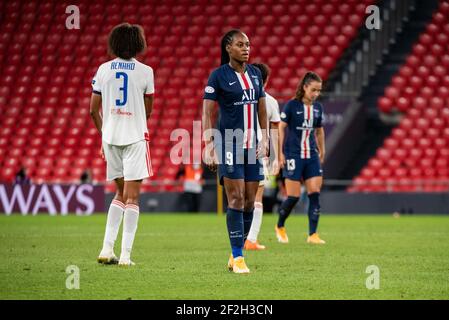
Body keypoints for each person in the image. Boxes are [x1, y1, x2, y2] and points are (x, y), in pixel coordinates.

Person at [202, 29, 268, 274]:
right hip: (229, 143)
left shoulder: (255, 75)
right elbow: (207, 112)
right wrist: (209, 145)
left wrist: (266, 138)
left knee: (250, 202)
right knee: (237, 198)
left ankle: (234, 253)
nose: (246, 48)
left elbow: (261, 108)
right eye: (240, 44)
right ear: (228, 48)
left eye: (248, 44)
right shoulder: (218, 76)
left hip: (252, 145)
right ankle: (239, 257)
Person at [90, 23, 155, 266]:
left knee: (119, 193)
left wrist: (104, 134)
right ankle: (126, 256)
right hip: (136, 137)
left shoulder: (103, 70)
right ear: (138, 43)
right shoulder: (146, 71)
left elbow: (92, 110)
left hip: (111, 138)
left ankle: (107, 249)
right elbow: (148, 109)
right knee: (133, 198)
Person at [275, 71, 326, 245]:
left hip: (311, 155)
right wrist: (280, 152)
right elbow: (281, 127)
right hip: (293, 155)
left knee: (315, 193)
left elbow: (319, 130)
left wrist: (322, 150)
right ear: (304, 87)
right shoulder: (291, 106)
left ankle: (313, 234)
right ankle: (280, 225)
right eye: (313, 90)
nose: (316, 94)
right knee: (293, 197)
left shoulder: (318, 108)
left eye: (319, 91)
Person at [244, 63, 280, 250]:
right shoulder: (271, 101)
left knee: (240, 197)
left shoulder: (242, 97)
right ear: (266, 80)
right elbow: (275, 132)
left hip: (239, 147)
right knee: (256, 196)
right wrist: (276, 157)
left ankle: (243, 238)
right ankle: (250, 239)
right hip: (258, 151)